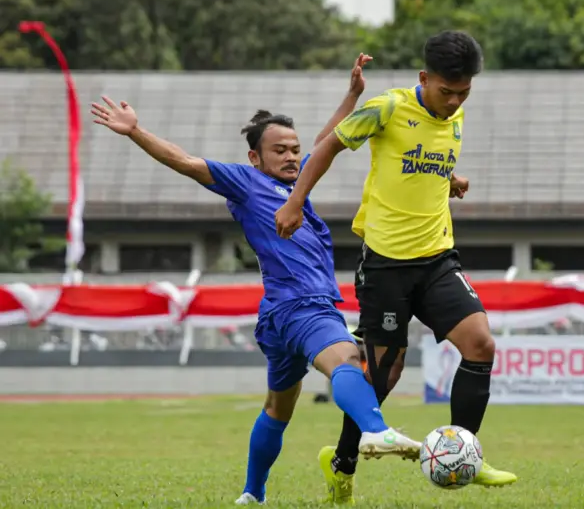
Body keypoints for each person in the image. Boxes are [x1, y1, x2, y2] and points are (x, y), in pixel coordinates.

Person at [90, 54, 421, 506]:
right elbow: (186, 162)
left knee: (277, 408)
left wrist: (352, 95)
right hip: (304, 306)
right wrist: (135, 131)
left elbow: (328, 140)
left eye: (293, 149)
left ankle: (252, 493)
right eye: (279, 150)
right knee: (347, 361)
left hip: (278, 315)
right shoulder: (245, 182)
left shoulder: (298, 182)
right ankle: (377, 432)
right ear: (255, 157)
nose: (290, 156)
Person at [275, 31, 519, 504]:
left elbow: (422, 156)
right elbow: (326, 146)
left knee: (481, 344)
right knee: (385, 375)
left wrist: (451, 177)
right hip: (385, 265)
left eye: (463, 93)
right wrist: (296, 202)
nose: (453, 102)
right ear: (423, 78)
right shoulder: (386, 108)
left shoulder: (456, 114)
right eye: (446, 92)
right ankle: (341, 462)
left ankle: (465, 451)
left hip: (438, 258)